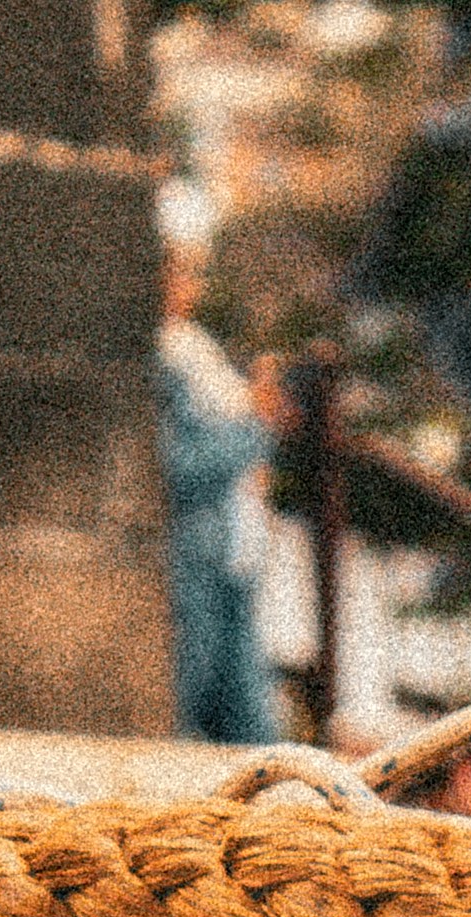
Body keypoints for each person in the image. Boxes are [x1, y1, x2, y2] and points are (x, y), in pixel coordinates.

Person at [157, 200, 286, 747]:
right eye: (180, 270)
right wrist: (255, 426)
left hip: (233, 556)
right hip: (198, 557)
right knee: (194, 706)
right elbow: (178, 467)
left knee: (253, 730)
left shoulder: (193, 349)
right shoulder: (160, 358)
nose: (191, 285)